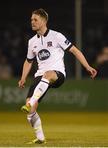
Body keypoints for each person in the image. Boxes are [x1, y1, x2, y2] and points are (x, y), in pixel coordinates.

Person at [18, 8, 97, 144]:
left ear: (44, 21)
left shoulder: (56, 36)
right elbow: (28, 61)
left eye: (35, 19)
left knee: (48, 74)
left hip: (57, 74)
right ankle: (40, 137)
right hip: (40, 76)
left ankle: (31, 101)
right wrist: (23, 77)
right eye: (31, 19)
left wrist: (87, 66)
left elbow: (74, 50)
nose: (32, 22)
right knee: (30, 111)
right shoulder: (32, 42)